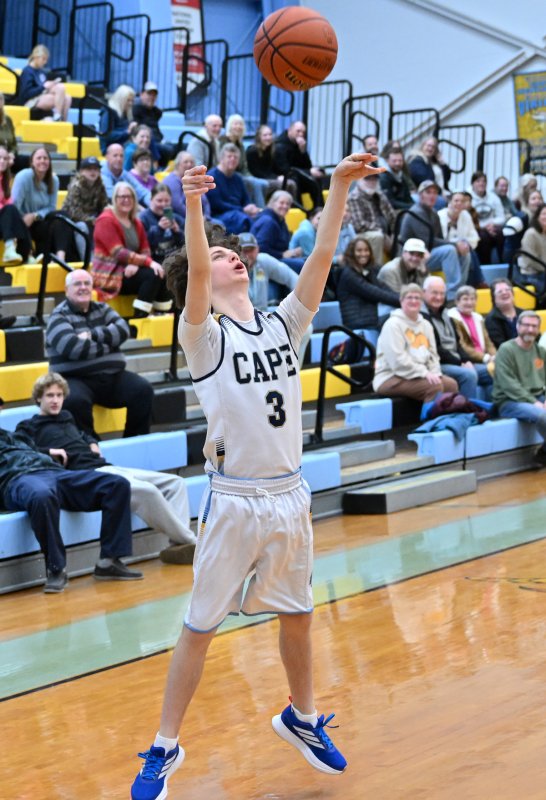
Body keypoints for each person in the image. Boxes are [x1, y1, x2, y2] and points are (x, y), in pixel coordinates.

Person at [129, 151, 381, 799]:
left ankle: (301, 716)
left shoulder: (283, 324)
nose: (234, 258)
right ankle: (164, 746)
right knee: (200, 626)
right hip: (235, 499)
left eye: (236, 253)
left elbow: (321, 256)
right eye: (220, 256)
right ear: (202, 278)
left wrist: (336, 187)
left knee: (299, 615)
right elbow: (192, 275)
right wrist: (192, 205)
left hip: (290, 495)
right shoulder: (203, 337)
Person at [17, 372, 196, 565]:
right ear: (38, 398)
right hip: (88, 475)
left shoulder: (67, 417)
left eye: (59, 395)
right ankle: (192, 542)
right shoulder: (29, 426)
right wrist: (49, 451)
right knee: (148, 491)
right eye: (50, 395)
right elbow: (20, 451)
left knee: (176, 483)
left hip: (106, 467)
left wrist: (92, 442)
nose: (55, 400)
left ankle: (179, 545)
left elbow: (81, 436)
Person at [0, 398, 142, 593]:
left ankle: (109, 561)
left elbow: (42, 447)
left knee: (116, 484)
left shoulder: (13, 436)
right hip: (18, 480)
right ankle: (56, 569)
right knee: (42, 495)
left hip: (54, 472)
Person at [45, 269, 154, 439]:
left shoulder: (102, 308)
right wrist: (109, 346)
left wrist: (91, 335)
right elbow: (73, 348)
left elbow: (124, 330)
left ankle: (134, 441)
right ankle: (91, 446)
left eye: (87, 283)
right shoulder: (58, 316)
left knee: (143, 390)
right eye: (77, 284)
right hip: (75, 378)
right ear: (67, 290)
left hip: (112, 377)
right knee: (74, 400)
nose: (83, 287)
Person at [91, 182, 169, 317]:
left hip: (130, 271)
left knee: (162, 272)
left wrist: (135, 264)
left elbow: (145, 249)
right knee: (152, 275)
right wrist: (147, 262)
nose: (126, 200)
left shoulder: (135, 221)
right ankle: (139, 318)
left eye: (129, 196)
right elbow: (119, 253)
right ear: (115, 199)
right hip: (110, 274)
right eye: (122, 197)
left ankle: (162, 315)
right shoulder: (105, 220)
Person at [373, 283, 458, 402]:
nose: (413, 301)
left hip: (418, 375)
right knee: (434, 386)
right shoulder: (392, 325)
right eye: (409, 297)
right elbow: (398, 360)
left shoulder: (426, 325)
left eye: (417, 298)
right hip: (390, 376)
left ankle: (449, 413)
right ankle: (430, 414)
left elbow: (433, 355)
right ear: (401, 301)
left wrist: (435, 372)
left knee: (451, 385)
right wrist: (424, 373)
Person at [399, 180, 472, 301]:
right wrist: (455, 245)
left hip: (427, 254)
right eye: (428, 192)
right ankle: (451, 295)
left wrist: (459, 246)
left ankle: (459, 290)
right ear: (421, 195)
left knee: (465, 253)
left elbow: (439, 239)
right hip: (412, 257)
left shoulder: (433, 213)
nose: (432, 196)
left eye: (435, 193)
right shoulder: (416, 212)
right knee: (449, 250)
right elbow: (427, 241)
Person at [493, 310, 546, 463]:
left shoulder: (540, 351)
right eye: (526, 325)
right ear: (517, 326)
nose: (530, 329)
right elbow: (509, 384)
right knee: (543, 415)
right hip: (509, 401)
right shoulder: (506, 349)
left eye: (534, 326)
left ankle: (544, 452)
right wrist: (534, 402)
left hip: (537, 396)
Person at [422, 276, 482, 399]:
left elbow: (457, 343)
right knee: (469, 375)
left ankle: (495, 409)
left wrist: (466, 360)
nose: (438, 297)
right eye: (434, 293)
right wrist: (460, 362)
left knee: (493, 371)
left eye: (442, 294)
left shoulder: (447, 314)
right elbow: (436, 349)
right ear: (424, 293)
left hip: (456, 361)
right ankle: (466, 410)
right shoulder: (422, 317)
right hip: (438, 364)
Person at [336, 236, 400, 331]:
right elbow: (375, 293)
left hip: (371, 319)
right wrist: (403, 301)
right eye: (359, 250)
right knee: (399, 319)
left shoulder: (369, 270)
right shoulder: (349, 274)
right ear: (352, 253)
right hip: (358, 323)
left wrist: (404, 298)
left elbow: (383, 287)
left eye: (366, 250)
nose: (363, 254)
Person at [56, 156, 108, 262]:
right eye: (89, 169)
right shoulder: (76, 186)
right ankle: (88, 260)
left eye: (95, 169)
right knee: (82, 226)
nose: (93, 172)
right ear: (81, 171)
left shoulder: (100, 185)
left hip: (93, 219)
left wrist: (104, 218)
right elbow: (74, 213)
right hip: (72, 222)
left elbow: (104, 206)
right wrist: (93, 220)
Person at [448, 285, 496, 399]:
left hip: (485, 360)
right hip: (468, 361)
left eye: (472, 299)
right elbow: (462, 345)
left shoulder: (478, 318)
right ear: (457, 301)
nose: (469, 302)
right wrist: (486, 358)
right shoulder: (452, 318)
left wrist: (495, 356)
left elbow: (488, 342)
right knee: (499, 371)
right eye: (465, 299)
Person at [11, 146, 59, 259]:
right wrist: (23, 220)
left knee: (57, 220)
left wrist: (34, 216)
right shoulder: (24, 176)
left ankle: (48, 259)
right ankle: (29, 257)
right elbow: (15, 204)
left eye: (45, 158)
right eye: (39, 158)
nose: (42, 161)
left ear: (49, 162)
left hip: (38, 221)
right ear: (32, 162)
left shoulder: (54, 180)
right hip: (20, 220)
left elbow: (51, 207)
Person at [206, 143, 260, 234]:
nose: (233, 159)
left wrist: (251, 208)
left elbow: (246, 200)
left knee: (261, 217)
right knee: (243, 219)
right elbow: (217, 205)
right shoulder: (211, 177)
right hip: (220, 215)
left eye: (235, 157)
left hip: (238, 213)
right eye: (229, 156)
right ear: (221, 159)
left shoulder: (238, 178)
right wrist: (242, 210)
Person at [237, 231, 298, 310]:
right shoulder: (231, 267)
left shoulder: (263, 260)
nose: (248, 255)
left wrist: (299, 300)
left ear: (257, 249)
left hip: (262, 312)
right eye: (244, 250)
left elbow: (290, 277)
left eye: (251, 250)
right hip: (239, 315)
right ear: (237, 252)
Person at [219, 114, 269, 207]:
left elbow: (244, 167)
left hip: (241, 174)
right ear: (229, 126)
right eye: (235, 124)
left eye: (241, 124)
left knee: (264, 183)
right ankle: (260, 210)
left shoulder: (240, 145)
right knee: (255, 184)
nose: (238, 127)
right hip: (228, 174)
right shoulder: (222, 141)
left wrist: (252, 177)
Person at [347, 172, 396, 264]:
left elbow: (392, 216)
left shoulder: (380, 195)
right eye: (368, 179)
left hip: (385, 232)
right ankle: (376, 267)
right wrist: (381, 231)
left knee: (401, 234)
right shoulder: (354, 198)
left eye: (374, 179)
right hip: (363, 233)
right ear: (360, 180)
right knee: (378, 236)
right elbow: (359, 224)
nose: (371, 182)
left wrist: (394, 233)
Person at [274, 120, 325, 207]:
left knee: (315, 179)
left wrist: (303, 151)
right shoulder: (280, 145)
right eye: (298, 131)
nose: (301, 134)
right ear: (290, 130)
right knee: (296, 180)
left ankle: (319, 208)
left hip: (297, 175)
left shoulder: (299, 144)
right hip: (284, 176)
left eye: (303, 132)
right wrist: (309, 172)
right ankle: (300, 209)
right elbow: (285, 169)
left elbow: (307, 166)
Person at [251, 189, 304, 271]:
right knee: (303, 265)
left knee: (308, 261)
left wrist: (292, 252)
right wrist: (282, 254)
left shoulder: (280, 220)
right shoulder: (268, 222)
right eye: (281, 203)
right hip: (265, 263)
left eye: (288, 204)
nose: (285, 206)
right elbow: (261, 249)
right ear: (272, 203)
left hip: (276, 259)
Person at [17, 44, 71, 121]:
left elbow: (43, 89)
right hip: (30, 101)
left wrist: (50, 85)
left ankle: (62, 121)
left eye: (46, 60)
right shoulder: (27, 71)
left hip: (40, 95)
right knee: (58, 98)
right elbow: (26, 94)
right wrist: (44, 87)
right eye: (43, 59)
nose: (45, 62)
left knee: (67, 97)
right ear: (36, 57)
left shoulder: (42, 72)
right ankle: (58, 116)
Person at [139, 183, 183, 270]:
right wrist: (159, 229)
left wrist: (177, 231)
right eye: (159, 201)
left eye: (167, 201)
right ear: (151, 200)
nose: (163, 204)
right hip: (156, 261)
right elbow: (142, 246)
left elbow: (186, 242)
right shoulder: (143, 218)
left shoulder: (175, 217)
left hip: (175, 259)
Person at [0, 144, 31, 265]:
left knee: (16, 215)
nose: (2, 161)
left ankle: (26, 255)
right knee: (10, 210)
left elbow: (9, 202)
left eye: (5, 158)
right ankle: (9, 249)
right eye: (0, 158)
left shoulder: (5, 178)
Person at [246, 124, 295, 198]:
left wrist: (285, 174)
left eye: (270, 134)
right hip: (259, 180)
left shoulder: (272, 150)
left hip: (271, 178)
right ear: (259, 137)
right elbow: (257, 172)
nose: (268, 137)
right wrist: (276, 178)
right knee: (283, 184)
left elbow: (277, 168)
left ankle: (291, 204)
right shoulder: (252, 151)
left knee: (292, 184)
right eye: (265, 135)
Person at [163, 151, 213, 222]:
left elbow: (205, 202)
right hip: (182, 219)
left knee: (219, 224)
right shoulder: (172, 180)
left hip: (202, 218)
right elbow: (177, 205)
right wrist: (197, 218)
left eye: (191, 162)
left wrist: (206, 216)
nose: (189, 164)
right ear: (178, 164)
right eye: (185, 162)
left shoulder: (194, 179)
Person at [132, 82, 174, 166]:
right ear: (142, 94)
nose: (152, 97)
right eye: (149, 94)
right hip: (148, 142)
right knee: (167, 150)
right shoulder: (136, 109)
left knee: (180, 147)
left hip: (159, 140)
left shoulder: (155, 112)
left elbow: (159, 112)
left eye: (154, 95)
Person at [468, 171, 505, 265]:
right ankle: (484, 265)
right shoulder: (468, 198)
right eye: (478, 181)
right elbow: (468, 220)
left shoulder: (494, 198)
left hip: (492, 226)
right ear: (472, 184)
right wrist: (483, 226)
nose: (481, 183)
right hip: (475, 228)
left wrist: (491, 224)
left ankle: (502, 263)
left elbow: (501, 217)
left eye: (484, 181)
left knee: (500, 233)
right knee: (484, 237)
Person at [101, 143, 150, 207]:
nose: (119, 159)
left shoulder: (125, 174)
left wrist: (153, 204)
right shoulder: (101, 173)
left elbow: (143, 192)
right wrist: (138, 207)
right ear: (107, 157)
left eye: (121, 156)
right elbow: (112, 197)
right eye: (115, 156)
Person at [407, 136, 450, 206]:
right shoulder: (417, 160)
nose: (430, 149)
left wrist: (442, 163)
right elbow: (425, 180)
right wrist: (440, 192)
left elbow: (447, 177)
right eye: (428, 146)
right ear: (422, 146)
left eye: (433, 147)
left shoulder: (433, 161)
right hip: (426, 194)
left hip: (440, 192)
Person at [516, 203, 546, 296]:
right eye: (544, 214)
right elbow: (530, 260)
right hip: (531, 275)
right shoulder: (531, 234)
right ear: (537, 217)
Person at [485, 278, 524, 349]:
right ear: (494, 298)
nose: (504, 293)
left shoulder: (524, 314)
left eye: (507, 290)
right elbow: (500, 345)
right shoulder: (491, 319)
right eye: (500, 291)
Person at [98, 84, 137, 155]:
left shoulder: (126, 113)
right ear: (120, 99)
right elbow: (106, 135)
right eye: (128, 100)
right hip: (111, 146)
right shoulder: (108, 111)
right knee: (134, 150)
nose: (130, 103)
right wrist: (127, 132)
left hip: (124, 143)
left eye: (132, 101)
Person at [0, 92, 27, 173]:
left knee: (28, 160)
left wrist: (11, 154)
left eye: (0, 99)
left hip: (8, 157)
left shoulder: (8, 120)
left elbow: (14, 144)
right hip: (2, 157)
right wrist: (3, 156)